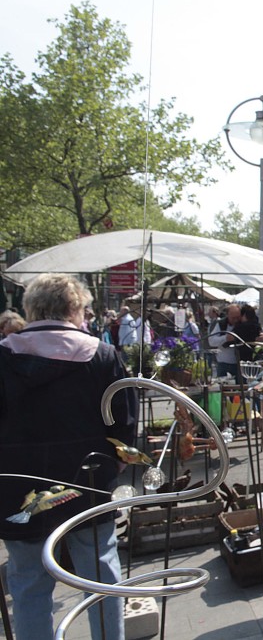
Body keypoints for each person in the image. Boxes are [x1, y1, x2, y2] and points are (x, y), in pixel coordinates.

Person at [0, 273, 137, 640]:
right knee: (101, 576)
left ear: (30, 309)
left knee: (28, 582)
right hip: (86, 479)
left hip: (18, 485)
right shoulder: (101, 355)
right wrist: (114, 463)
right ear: (76, 308)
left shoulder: (4, 356)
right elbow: (123, 422)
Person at [209, 304, 241, 380]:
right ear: (227, 315)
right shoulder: (220, 324)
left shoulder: (243, 322)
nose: (235, 320)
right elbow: (211, 341)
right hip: (223, 364)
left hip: (240, 364)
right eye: (233, 318)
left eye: (237, 317)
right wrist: (226, 338)